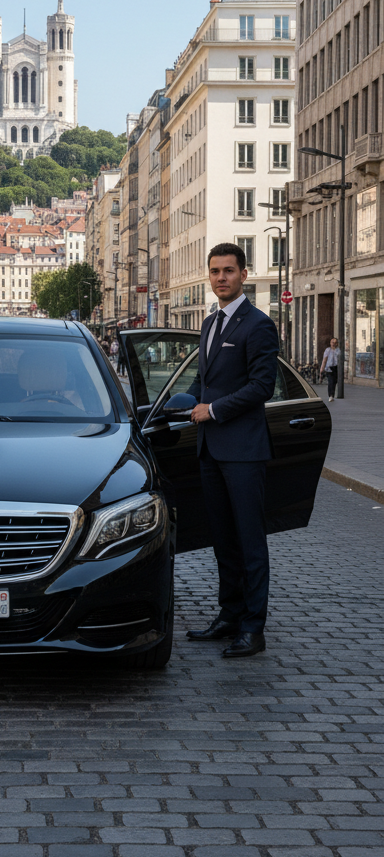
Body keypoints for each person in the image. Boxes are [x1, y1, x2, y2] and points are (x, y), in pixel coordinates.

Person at [184, 242, 279, 659]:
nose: (221, 277)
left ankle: (253, 629)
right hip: (211, 451)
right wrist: (170, 406)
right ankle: (229, 615)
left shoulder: (257, 325)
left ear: (243, 274)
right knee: (223, 540)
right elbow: (202, 384)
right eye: (215, 271)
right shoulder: (209, 324)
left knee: (250, 542)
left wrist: (214, 410)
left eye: (228, 270)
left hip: (243, 451)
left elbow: (262, 387)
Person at [319, 337, 339, 402]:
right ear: (330, 343)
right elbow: (324, 360)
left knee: (334, 382)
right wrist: (322, 369)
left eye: (335, 342)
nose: (334, 344)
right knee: (331, 382)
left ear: (337, 344)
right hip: (329, 368)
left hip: (336, 368)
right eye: (332, 342)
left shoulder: (338, 350)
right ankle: (331, 395)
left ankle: (332, 394)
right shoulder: (328, 350)